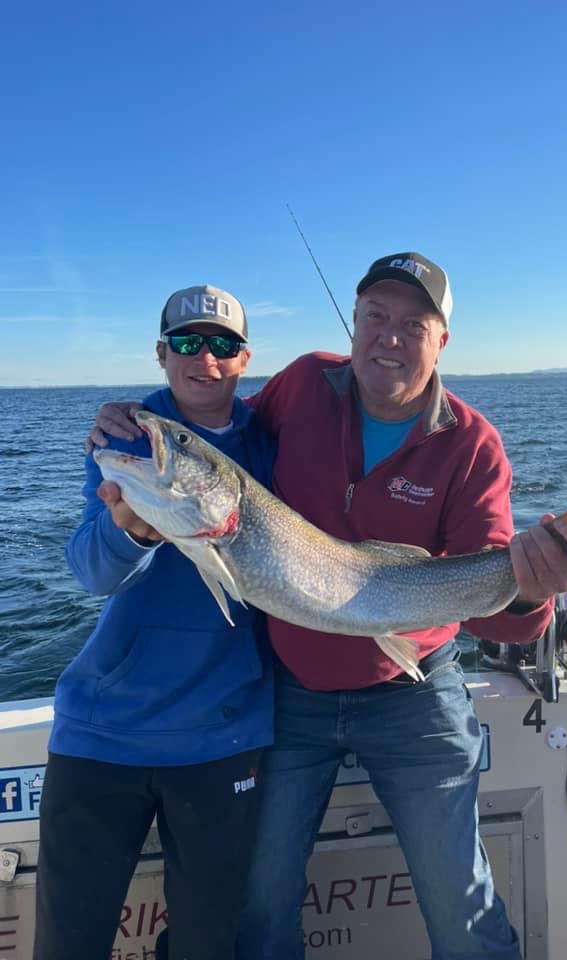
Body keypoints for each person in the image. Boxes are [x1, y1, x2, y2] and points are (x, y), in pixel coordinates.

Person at [91, 254, 567, 960]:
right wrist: (135, 417)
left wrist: (534, 590)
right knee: (260, 904)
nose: (389, 336)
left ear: (442, 341)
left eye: (413, 324)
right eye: (375, 316)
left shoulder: (472, 444)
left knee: (460, 901)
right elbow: (218, 424)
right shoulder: (302, 384)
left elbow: (489, 609)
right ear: (354, 322)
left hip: (414, 690)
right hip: (291, 693)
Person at [35, 285, 276, 960]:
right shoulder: (125, 437)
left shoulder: (277, 441)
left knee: (207, 945)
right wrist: (133, 531)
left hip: (223, 736)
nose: (206, 358)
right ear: (161, 353)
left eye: (223, 344)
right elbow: (90, 570)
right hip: (101, 733)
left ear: (245, 358)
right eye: (188, 342)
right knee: (67, 944)